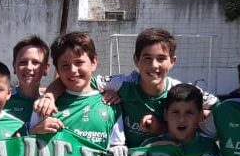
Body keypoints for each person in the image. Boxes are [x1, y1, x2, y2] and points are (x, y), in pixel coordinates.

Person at [33, 28, 217, 147]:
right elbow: (74, 80)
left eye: (161, 59)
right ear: (136, 60)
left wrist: (163, 126)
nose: (154, 65)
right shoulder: (122, 83)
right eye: (147, 58)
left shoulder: (181, 91)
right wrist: (49, 95)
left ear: (172, 62)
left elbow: (218, 107)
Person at [29, 31, 127, 156]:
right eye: (65, 65)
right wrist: (34, 132)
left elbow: (116, 146)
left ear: (94, 62)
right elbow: (26, 147)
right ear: (57, 69)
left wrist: (118, 148)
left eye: (79, 62)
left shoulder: (111, 105)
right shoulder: (44, 105)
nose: (73, 70)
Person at [140, 83, 218, 156]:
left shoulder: (208, 146)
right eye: (175, 112)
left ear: (200, 116)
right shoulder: (149, 146)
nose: (181, 119)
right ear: (165, 114)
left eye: (189, 113)